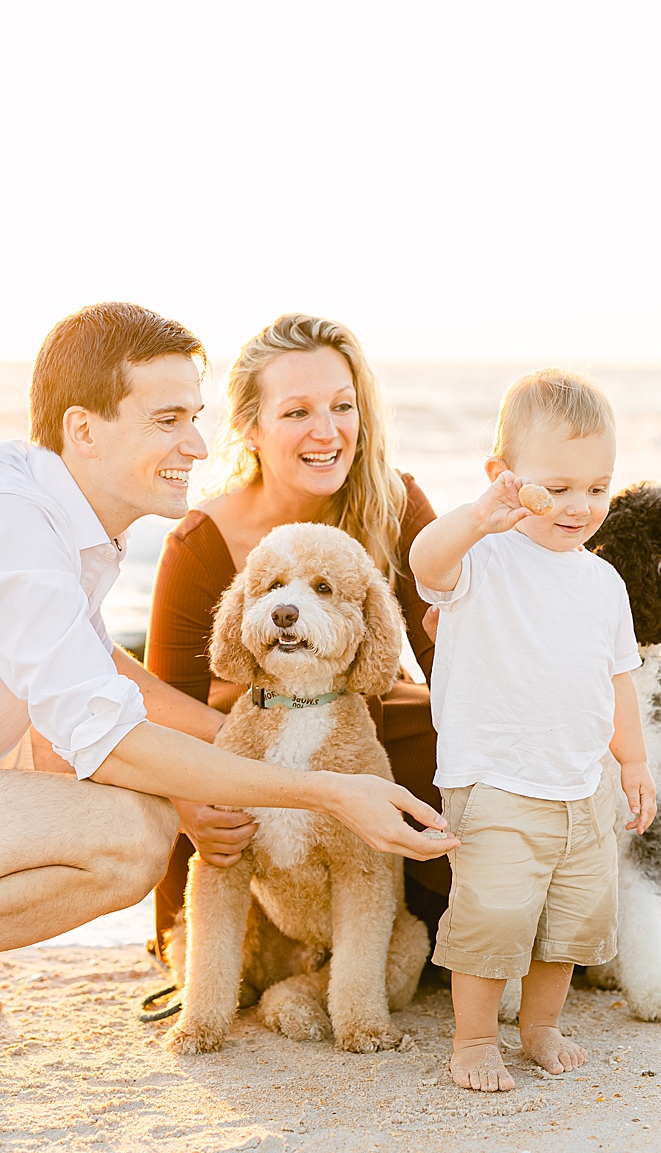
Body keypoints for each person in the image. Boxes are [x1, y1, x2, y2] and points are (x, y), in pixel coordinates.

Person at [0, 302, 455, 1097]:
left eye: (195, 418)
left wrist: (251, 737)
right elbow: (107, 737)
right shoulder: (11, 527)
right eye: (167, 420)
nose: (197, 446)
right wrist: (320, 789)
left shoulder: (54, 514)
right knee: (128, 833)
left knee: (76, 759)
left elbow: (109, 674)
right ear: (84, 429)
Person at [143, 313, 449, 948]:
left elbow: (446, 663)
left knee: (448, 739)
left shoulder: (395, 506)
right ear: (250, 429)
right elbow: (170, 705)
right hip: (245, 760)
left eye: (342, 406)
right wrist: (193, 800)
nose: (326, 431)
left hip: (368, 729)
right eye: (296, 412)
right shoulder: (202, 542)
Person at [408, 369, 657, 1092]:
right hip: (494, 779)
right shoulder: (482, 557)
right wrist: (476, 518)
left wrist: (633, 764)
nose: (581, 506)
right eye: (560, 487)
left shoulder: (602, 583)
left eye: (598, 488)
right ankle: (476, 1038)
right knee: (493, 917)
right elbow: (426, 560)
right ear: (505, 479)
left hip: (582, 785)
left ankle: (542, 1025)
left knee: (572, 921)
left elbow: (616, 678)